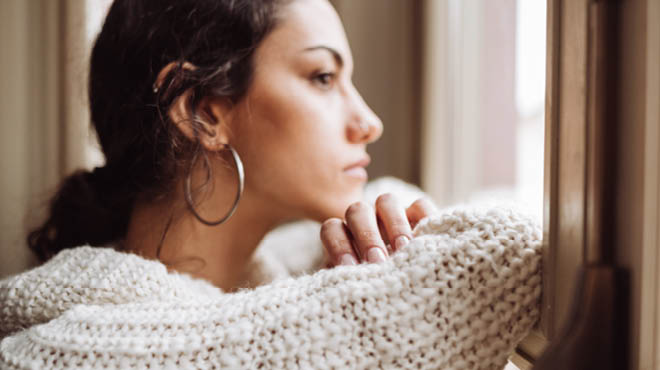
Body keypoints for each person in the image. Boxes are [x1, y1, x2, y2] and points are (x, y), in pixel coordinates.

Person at [0, 0, 542, 369]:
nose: (369, 121)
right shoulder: (79, 353)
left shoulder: (269, 288)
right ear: (204, 114)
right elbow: (503, 249)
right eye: (323, 78)